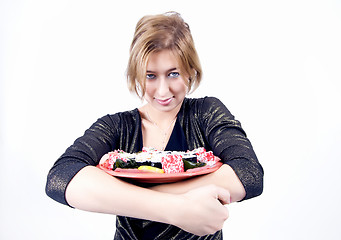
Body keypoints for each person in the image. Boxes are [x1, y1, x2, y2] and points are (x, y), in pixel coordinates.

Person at [45, 12, 263, 239]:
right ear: (137, 75)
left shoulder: (206, 113)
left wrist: (119, 196)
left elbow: (249, 174)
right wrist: (177, 209)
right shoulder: (116, 126)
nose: (162, 91)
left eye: (173, 74)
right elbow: (60, 178)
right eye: (150, 76)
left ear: (190, 71)